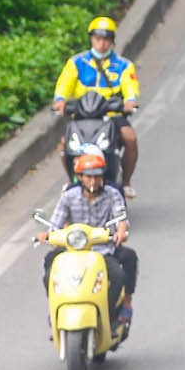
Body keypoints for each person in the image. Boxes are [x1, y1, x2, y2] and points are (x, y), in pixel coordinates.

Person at [38, 153, 135, 326]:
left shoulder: (112, 194)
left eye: (98, 176)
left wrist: (120, 231)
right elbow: (56, 223)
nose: (93, 181)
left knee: (120, 273)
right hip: (73, 250)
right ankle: (54, 309)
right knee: (49, 267)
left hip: (103, 250)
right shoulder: (69, 196)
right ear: (80, 177)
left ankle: (117, 309)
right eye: (89, 177)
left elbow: (121, 218)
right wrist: (49, 235)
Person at [52, 17, 141, 196]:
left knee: (130, 139)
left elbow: (131, 87)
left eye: (106, 39)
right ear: (91, 39)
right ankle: (72, 180)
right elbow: (64, 84)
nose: (102, 44)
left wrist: (130, 102)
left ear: (112, 41)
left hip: (111, 115)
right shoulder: (76, 63)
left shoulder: (123, 65)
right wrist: (60, 101)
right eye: (98, 38)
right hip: (83, 116)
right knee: (64, 145)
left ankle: (125, 182)